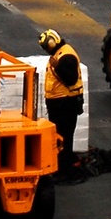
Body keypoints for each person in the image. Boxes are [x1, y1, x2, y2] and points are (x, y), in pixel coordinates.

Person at [38, 29, 84, 183]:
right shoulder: (59, 53)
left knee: (64, 138)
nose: (47, 50)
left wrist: (57, 66)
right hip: (59, 103)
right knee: (59, 137)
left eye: (47, 47)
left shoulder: (66, 56)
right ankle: (61, 168)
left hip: (66, 103)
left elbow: (71, 79)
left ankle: (67, 171)